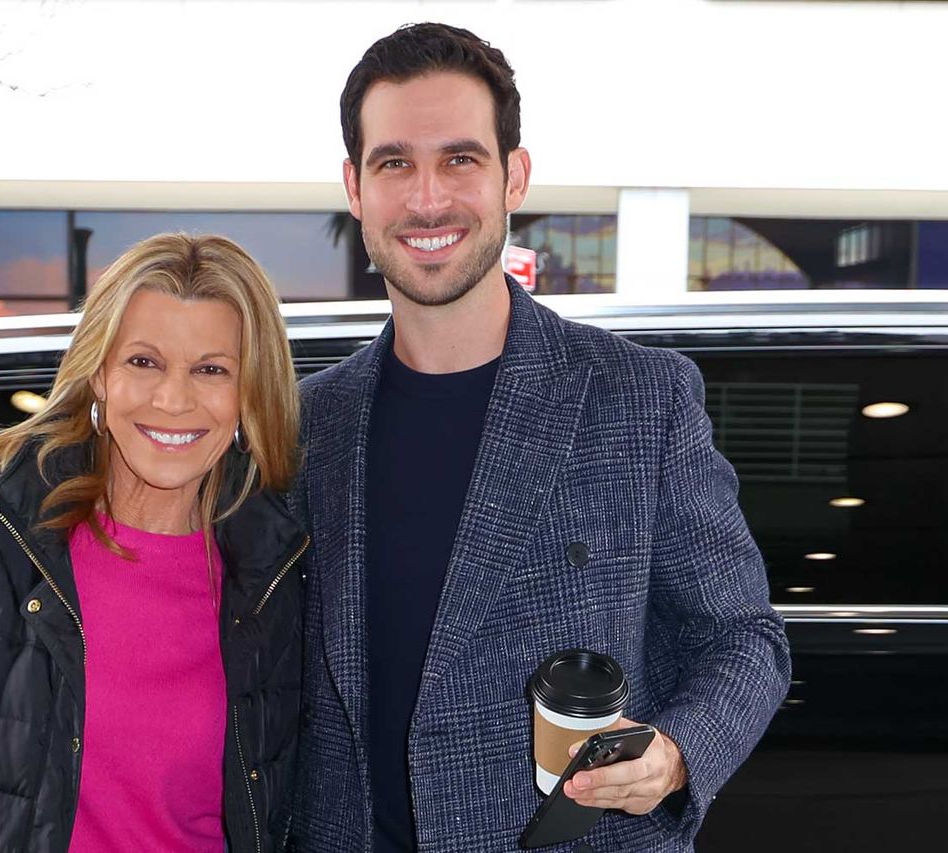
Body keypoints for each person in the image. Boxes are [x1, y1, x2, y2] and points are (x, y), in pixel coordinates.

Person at [290, 23, 791, 852]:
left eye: (461, 158)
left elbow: (744, 638)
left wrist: (672, 755)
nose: (426, 199)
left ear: (513, 175)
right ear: (354, 186)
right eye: (393, 163)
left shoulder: (641, 398)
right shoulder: (312, 422)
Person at [0, 233, 307, 853]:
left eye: (211, 369)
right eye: (144, 362)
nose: (173, 400)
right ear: (99, 376)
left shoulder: (284, 565)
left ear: (247, 393)